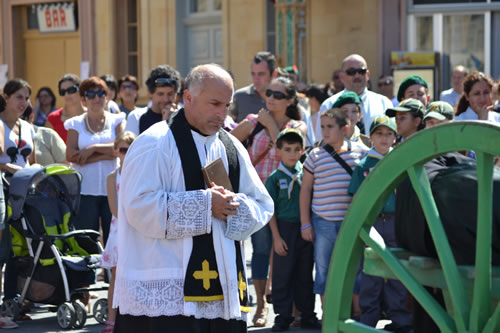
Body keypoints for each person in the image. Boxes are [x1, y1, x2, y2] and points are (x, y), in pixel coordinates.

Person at [113, 64, 273, 333]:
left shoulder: (230, 146)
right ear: (188, 98)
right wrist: (205, 204)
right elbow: (137, 207)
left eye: (227, 105)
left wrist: (233, 206)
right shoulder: (154, 143)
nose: (222, 114)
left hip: (223, 290)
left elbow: (262, 204)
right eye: (214, 104)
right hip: (168, 292)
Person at [231, 76, 307, 327]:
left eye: (277, 95)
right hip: (257, 197)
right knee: (262, 251)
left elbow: (288, 145)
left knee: (289, 254)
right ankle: (261, 304)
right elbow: (228, 141)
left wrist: (270, 124)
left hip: (287, 199)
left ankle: (294, 307)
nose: (271, 98)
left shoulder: (297, 125)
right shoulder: (254, 121)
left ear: (289, 100)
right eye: (269, 94)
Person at [348, 115, 413, 331]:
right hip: (373, 223)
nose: (384, 138)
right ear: (371, 137)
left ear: (395, 137)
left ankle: (400, 318)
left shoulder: (400, 161)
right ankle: (369, 318)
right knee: (370, 273)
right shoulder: (363, 165)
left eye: (389, 134)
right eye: (379, 134)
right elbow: (356, 199)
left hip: (396, 223)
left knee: (398, 272)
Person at [300, 109, 367, 309]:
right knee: (323, 269)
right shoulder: (315, 155)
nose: (325, 132)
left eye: (330, 127)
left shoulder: (360, 154)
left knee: (354, 268)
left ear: (344, 129)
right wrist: (305, 224)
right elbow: (305, 189)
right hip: (323, 222)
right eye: (322, 127)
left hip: (351, 223)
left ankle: (355, 313)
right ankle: (327, 314)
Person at [266, 128, 320, 332]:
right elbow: (270, 210)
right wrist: (277, 238)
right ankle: (283, 315)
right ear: (278, 150)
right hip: (284, 229)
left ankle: (307, 314)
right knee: (283, 274)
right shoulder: (274, 178)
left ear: (303, 150)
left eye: (297, 149)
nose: (292, 154)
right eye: (287, 149)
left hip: (305, 228)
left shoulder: (306, 174)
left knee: (305, 273)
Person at [65, 76, 125, 246]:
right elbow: (71, 156)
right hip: (85, 190)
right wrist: (107, 153)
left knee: (114, 240)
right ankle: (88, 273)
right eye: (91, 94)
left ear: (107, 97)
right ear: (83, 99)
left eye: (101, 94)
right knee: (87, 241)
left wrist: (92, 149)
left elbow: (121, 148)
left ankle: (111, 273)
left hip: (113, 190)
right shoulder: (75, 123)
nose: (97, 98)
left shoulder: (116, 120)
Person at [0, 79, 36, 323]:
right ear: (6, 97)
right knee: (4, 249)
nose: (24, 102)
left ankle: (13, 300)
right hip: (4, 189)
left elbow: (31, 161)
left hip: (24, 191)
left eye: (26, 97)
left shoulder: (28, 127)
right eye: (19, 97)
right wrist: (17, 170)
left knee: (21, 248)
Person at [100, 131, 136, 333]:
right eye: (122, 150)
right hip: (121, 229)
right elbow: (114, 209)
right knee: (116, 275)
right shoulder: (113, 176)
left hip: (139, 228)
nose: (126, 153)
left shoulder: (141, 173)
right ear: (116, 151)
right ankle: (112, 319)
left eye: (130, 149)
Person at [316, 54, 392, 139]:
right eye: (351, 72)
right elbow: (321, 140)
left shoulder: (384, 103)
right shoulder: (329, 105)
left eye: (361, 71)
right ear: (342, 76)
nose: (357, 75)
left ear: (368, 75)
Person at [125, 65, 181, 135]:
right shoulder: (136, 117)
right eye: (160, 94)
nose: (166, 99)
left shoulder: (184, 117)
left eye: (170, 94)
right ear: (150, 93)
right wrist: (165, 123)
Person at [230, 51, 276, 123]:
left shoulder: (281, 99)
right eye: (253, 74)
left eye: (261, 74)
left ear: (273, 74)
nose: (256, 79)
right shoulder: (240, 96)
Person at [46, 73, 86, 142]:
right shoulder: (52, 118)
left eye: (71, 90)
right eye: (63, 92)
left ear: (81, 90)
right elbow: (46, 146)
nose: (66, 94)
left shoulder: (92, 115)